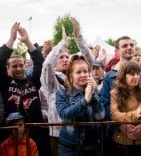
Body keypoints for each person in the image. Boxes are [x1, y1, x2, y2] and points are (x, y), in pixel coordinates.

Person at [99, 36, 141, 156]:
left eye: (131, 45)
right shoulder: (109, 76)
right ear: (117, 51)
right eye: (125, 45)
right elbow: (104, 105)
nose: (129, 48)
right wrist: (120, 125)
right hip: (119, 137)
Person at [0, 22, 49, 156]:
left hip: (36, 133)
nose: (19, 68)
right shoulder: (5, 83)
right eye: (14, 66)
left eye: (21, 65)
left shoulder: (32, 81)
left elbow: (40, 63)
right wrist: (11, 39)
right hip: (12, 135)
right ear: (8, 69)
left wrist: (27, 41)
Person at [55, 54, 105, 156]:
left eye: (85, 71)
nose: (83, 75)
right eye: (78, 72)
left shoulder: (94, 91)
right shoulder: (62, 94)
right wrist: (85, 100)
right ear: (70, 75)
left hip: (92, 146)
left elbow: (100, 116)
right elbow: (64, 114)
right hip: (69, 148)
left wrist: (93, 95)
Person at [110, 61, 141, 156]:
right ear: (123, 76)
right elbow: (114, 115)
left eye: (137, 74)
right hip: (122, 141)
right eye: (132, 74)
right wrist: (135, 114)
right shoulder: (115, 93)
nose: (136, 77)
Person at [40, 26, 70, 156]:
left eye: (67, 57)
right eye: (61, 57)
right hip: (57, 133)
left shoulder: (75, 77)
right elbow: (47, 65)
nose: (65, 59)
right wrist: (62, 43)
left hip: (76, 131)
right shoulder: (52, 80)